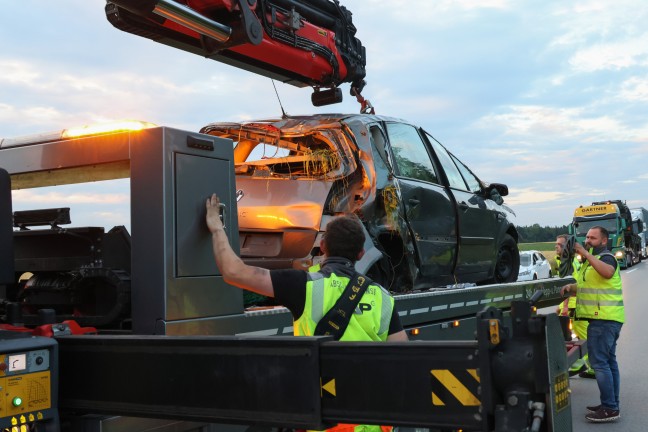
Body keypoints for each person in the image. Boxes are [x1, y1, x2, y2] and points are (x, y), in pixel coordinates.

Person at [206, 193, 407, 432]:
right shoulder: (382, 297)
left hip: (323, 424)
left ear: (323, 246)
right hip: (368, 423)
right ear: (361, 254)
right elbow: (403, 359)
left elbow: (233, 272)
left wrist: (217, 227)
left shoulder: (304, 286)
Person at [560, 226, 624, 423]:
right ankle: (611, 404)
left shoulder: (607, 257)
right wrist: (572, 288)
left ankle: (610, 407)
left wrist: (585, 253)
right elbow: (590, 288)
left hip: (604, 320)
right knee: (609, 362)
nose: (587, 240)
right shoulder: (590, 263)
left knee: (600, 364)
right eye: (586, 237)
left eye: (592, 238)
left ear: (603, 241)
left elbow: (607, 272)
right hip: (604, 319)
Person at [554, 235, 591, 377]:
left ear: (566, 247)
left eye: (559, 244)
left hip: (574, 306)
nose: (556, 247)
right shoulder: (566, 262)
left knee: (581, 336)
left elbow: (572, 287)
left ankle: (588, 365)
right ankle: (578, 363)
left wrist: (564, 307)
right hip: (572, 305)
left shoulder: (569, 264)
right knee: (572, 336)